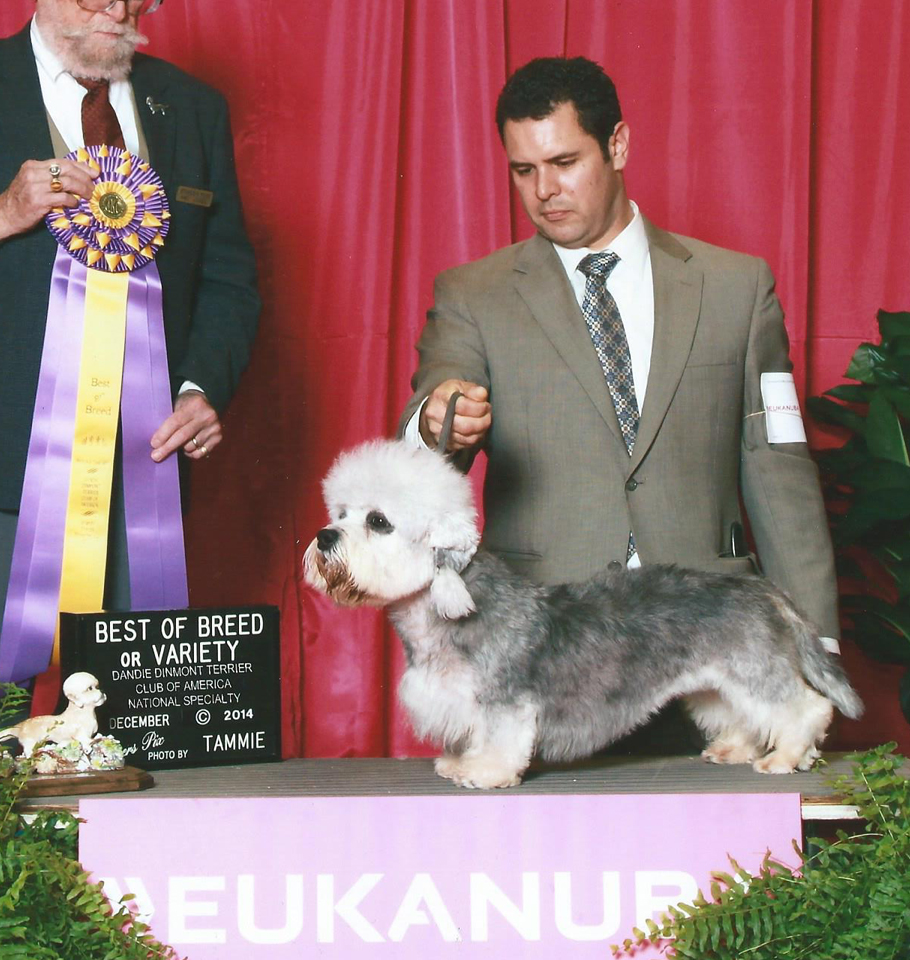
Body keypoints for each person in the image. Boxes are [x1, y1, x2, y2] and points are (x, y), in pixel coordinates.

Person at [400, 57, 840, 750]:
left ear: (619, 146)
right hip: (545, 672)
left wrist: (816, 644)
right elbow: (432, 411)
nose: (544, 190)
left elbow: (781, 476)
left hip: (713, 659)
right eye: (523, 170)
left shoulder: (736, 287)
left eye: (565, 161)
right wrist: (436, 419)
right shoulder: (473, 295)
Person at [0, 0, 259, 661]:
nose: (117, 11)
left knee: (133, 733)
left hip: (143, 483)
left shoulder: (194, 106)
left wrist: (200, 390)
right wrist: (3, 212)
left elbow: (228, 279)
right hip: (7, 476)